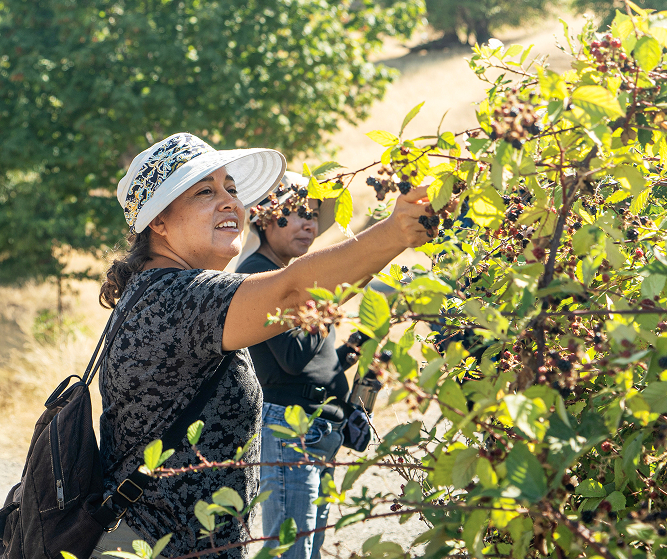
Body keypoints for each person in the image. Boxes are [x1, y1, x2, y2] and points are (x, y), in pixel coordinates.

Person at [92, 132, 435, 558]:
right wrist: (394, 232)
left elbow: (308, 301)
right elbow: (292, 296)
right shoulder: (176, 297)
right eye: (205, 191)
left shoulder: (158, 292)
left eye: (232, 190)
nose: (230, 202)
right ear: (158, 222)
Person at [234, 172, 361, 559]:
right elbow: (292, 359)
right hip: (290, 426)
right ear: (265, 217)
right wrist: (336, 295)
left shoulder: (293, 279)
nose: (309, 222)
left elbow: (314, 364)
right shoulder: (258, 274)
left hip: (319, 424)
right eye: (298, 212)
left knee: (308, 549)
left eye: (313, 215)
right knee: (290, 551)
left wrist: (356, 348)